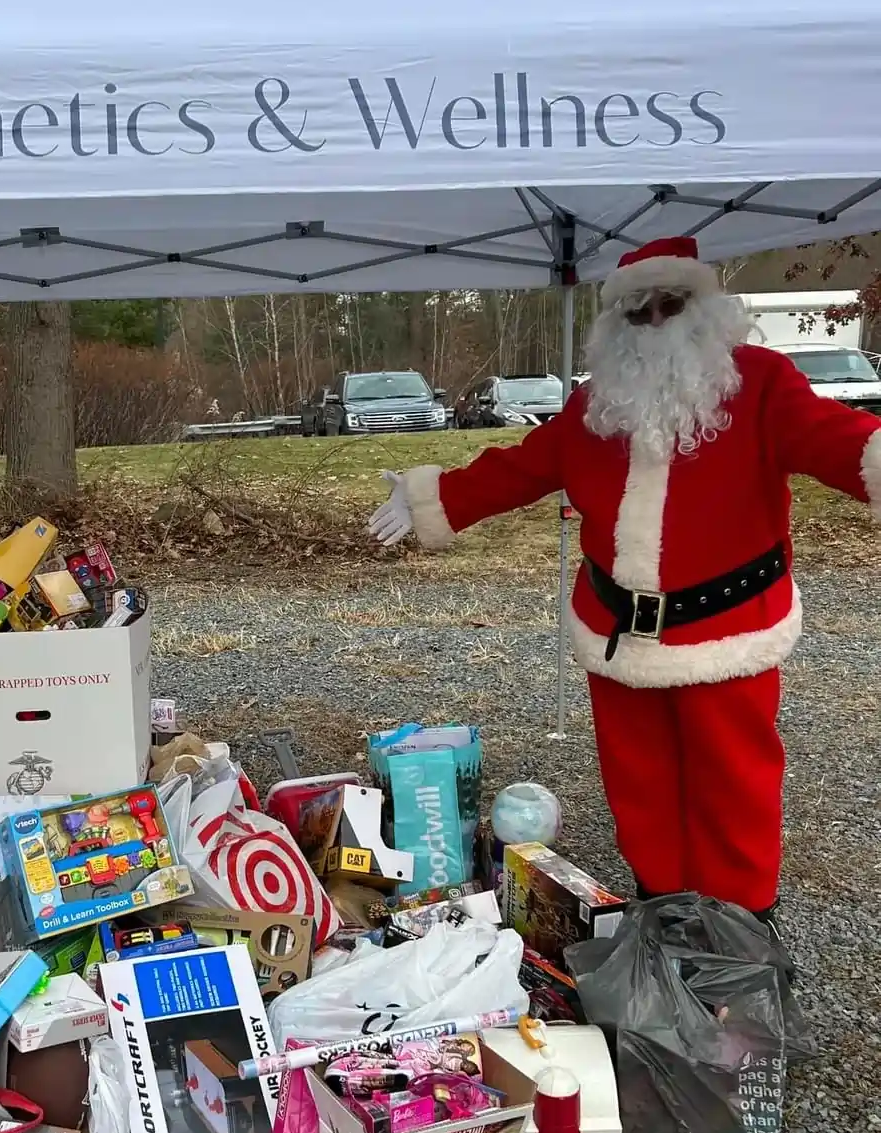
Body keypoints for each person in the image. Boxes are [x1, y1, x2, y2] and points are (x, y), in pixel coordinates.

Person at [368, 236, 881, 922]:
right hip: (615, 633)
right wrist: (435, 497)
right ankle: (661, 905)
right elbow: (523, 467)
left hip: (726, 633)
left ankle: (740, 926)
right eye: (638, 309)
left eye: (672, 303)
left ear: (707, 307)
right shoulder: (597, 404)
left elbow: (833, 437)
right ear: (616, 322)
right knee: (639, 780)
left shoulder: (761, 383)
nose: (655, 321)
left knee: (734, 780)